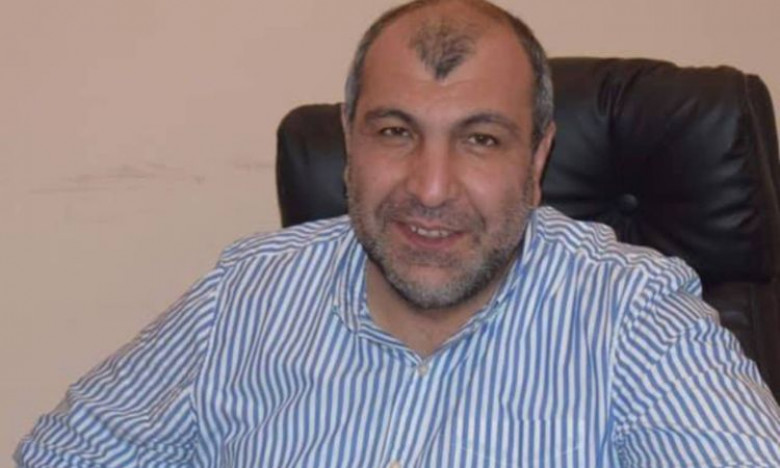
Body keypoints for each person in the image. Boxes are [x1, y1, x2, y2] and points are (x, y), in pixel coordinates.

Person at [15, 0, 780, 466]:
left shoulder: (632, 316)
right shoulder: (245, 293)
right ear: (349, 141)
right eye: (394, 131)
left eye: (481, 139)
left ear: (538, 158)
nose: (431, 188)